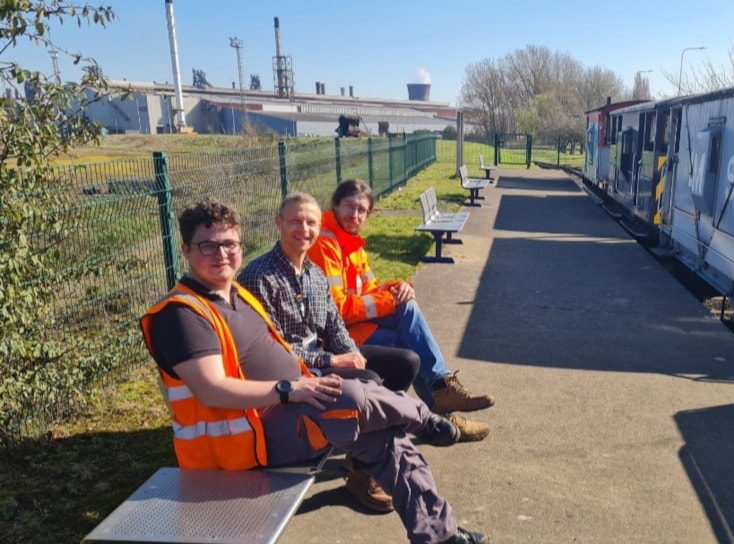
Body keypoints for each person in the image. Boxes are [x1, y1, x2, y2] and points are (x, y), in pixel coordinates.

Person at [140, 198, 488, 544]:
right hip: (249, 441)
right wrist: (291, 389)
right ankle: (424, 419)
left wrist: (320, 372)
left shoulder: (237, 295)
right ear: (185, 250)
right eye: (208, 246)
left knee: (385, 435)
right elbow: (211, 388)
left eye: (229, 244)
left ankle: (440, 535)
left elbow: (321, 332)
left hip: (288, 412)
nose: (221, 254)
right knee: (350, 396)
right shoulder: (182, 314)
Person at [238, 191, 421, 514]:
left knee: (406, 363)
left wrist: (352, 352)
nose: (304, 229)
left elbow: (334, 325)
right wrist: (331, 360)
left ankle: (360, 453)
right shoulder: (258, 276)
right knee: (370, 380)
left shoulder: (313, 272)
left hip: (322, 356)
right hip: (292, 371)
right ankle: (366, 471)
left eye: (311, 222)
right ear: (278, 223)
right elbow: (271, 348)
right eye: (295, 221)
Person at [307, 180, 494, 442]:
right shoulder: (326, 244)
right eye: (349, 206)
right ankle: (438, 409)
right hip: (336, 338)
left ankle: (441, 399)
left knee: (407, 305)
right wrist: (390, 301)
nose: (355, 215)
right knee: (408, 344)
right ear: (335, 205)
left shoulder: (351, 243)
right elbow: (336, 310)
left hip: (356, 326)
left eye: (362, 210)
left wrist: (398, 287)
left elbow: (370, 288)